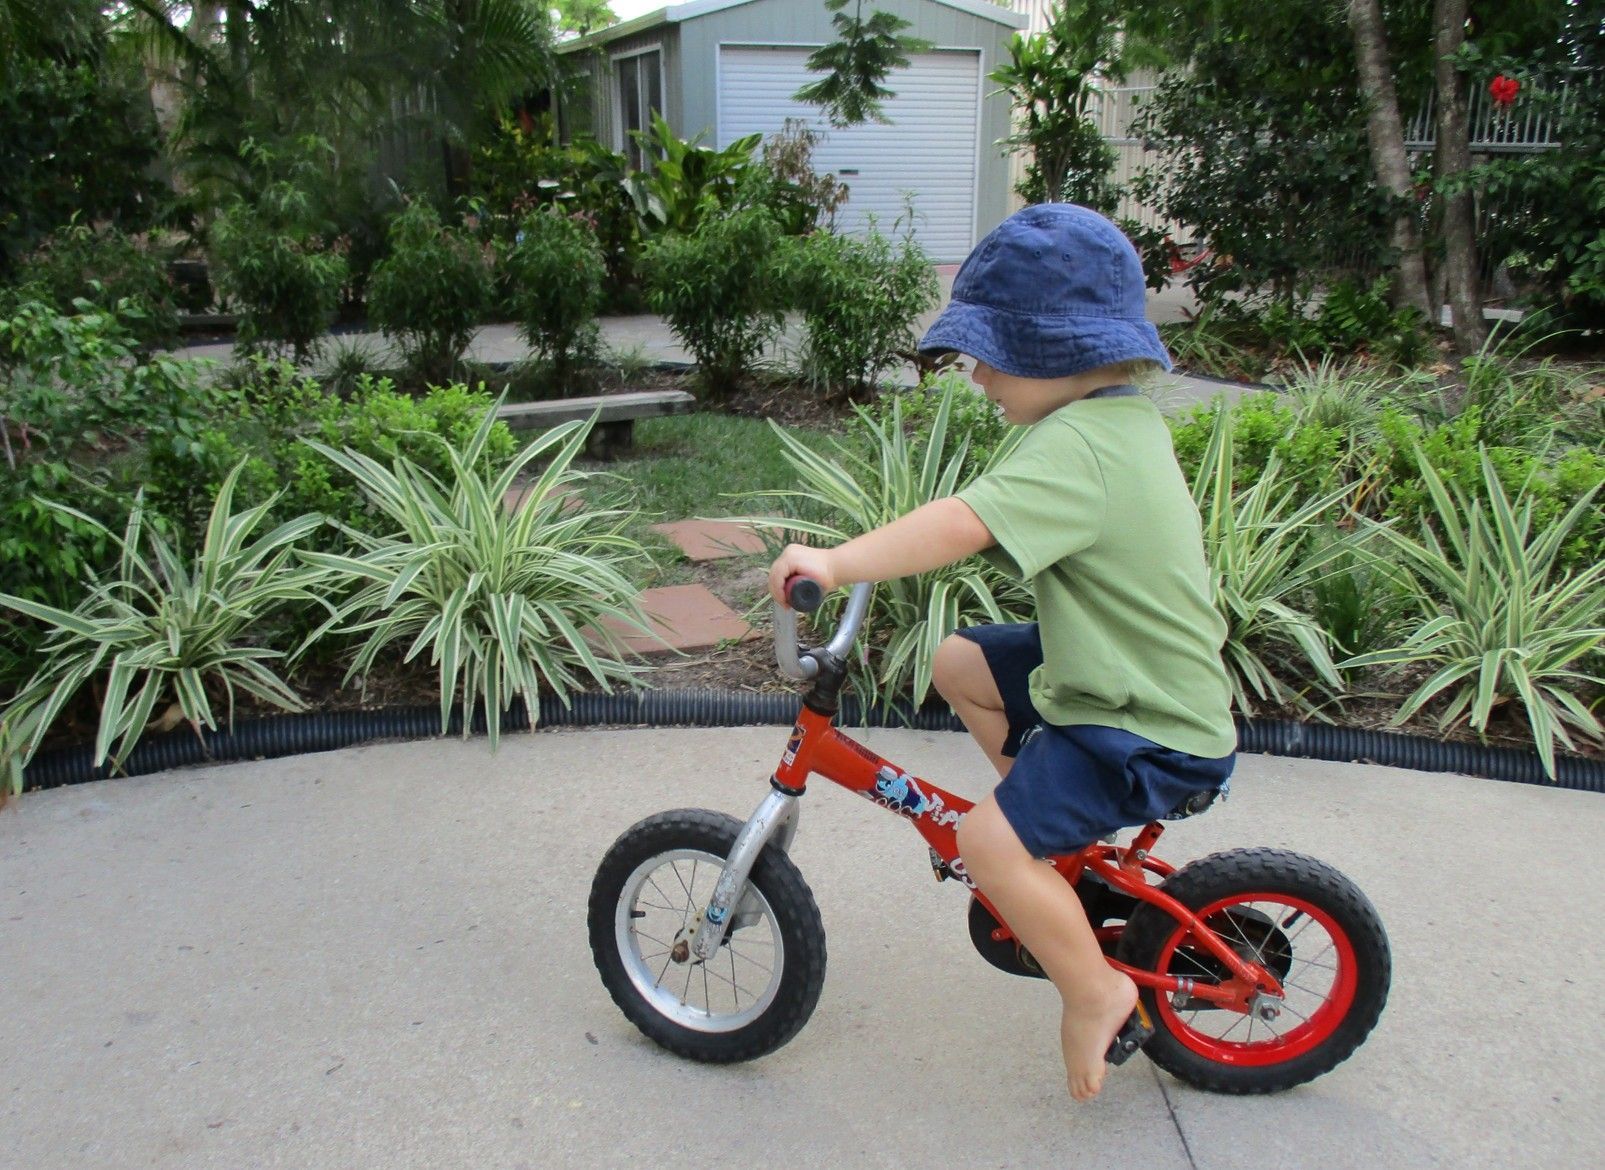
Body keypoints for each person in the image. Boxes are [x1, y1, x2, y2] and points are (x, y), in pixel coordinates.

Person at [766, 204, 1236, 1102]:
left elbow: (962, 523)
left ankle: (1091, 988)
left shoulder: (1080, 450)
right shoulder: (1112, 424)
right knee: (958, 663)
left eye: (988, 350)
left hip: (1142, 721)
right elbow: (979, 518)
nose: (974, 372)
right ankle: (1051, 844)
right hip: (1120, 672)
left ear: (1055, 348)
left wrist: (834, 561)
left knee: (984, 842)